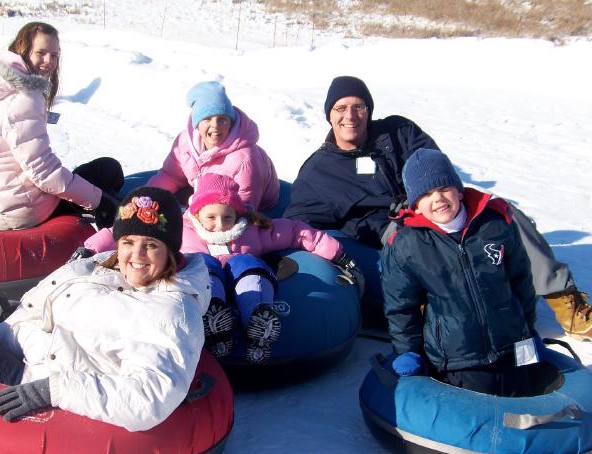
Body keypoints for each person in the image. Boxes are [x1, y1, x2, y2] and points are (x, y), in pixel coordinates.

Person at [284, 75, 591, 341]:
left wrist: (427, 198)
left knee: (500, 213)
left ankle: (565, 303)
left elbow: (435, 165)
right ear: (329, 115)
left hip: (433, 203)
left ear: (369, 110)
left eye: (358, 106)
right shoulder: (318, 172)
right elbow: (297, 224)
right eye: (340, 108)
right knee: (427, 254)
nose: (350, 116)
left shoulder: (397, 131)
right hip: (396, 230)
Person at [0, 187, 210, 431]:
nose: (136, 255)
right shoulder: (112, 267)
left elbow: (149, 398)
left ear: (170, 250)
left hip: (32, 372)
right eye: (128, 242)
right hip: (21, 334)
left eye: (150, 245)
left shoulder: (171, 313)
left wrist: (52, 390)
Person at [0, 21, 123, 231]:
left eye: (55, 55)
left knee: (80, 177)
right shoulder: (25, 96)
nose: (49, 61)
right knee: (108, 169)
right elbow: (43, 171)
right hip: (28, 212)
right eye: (41, 52)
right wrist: (99, 201)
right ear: (23, 49)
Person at [382, 148, 542, 395]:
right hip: (459, 358)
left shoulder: (494, 224)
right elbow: (401, 307)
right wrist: (408, 352)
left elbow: (521, 282)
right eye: (426, 194)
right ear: (416, 205)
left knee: (525, 401)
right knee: (479, 411)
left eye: (444, 188)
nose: (438, 199)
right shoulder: (407, 245)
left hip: (512, 345)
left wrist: (528, 331)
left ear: (459, 190)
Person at [181, 173, 362, 364]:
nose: (220, 225)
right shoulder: (184, 232)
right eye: (211, 217)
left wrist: (336, 253)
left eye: (228, 217)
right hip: (207, 280)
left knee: (249, 265)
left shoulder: (251, 230)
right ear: (197, 214)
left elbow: (296, 232)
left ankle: (259, 320)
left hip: (241, 277)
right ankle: (213, 318)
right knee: (201, 265)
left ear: (237, 214)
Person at [146, 80, 279, 211]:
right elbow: (171, 176)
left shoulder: (245, 161)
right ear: (197, 124)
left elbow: (243, 208)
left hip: (256, 206)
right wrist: (146, 198)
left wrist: (191, 219)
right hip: (203, 191)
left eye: (222, 120)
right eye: (207, 119)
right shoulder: (185, 142)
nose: (215, 125)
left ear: (231, 123)